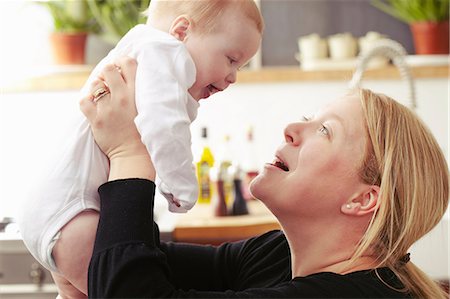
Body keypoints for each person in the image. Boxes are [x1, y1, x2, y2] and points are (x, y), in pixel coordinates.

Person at [78, 57, 449, 298]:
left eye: (325, 131)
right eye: (308, 118)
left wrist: (130, 154)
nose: (291, 129)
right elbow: (123, 261)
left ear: (363, 199)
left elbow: (124, 290)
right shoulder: (276, 254)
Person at [19, 0, 263, 297]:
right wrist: (181, 186)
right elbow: (165, 127)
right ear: (182, 31)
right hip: (72, 214)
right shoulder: (163, 53)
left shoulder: (141, 53)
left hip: (64, 213)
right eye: (232, 59)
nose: (233, 76)